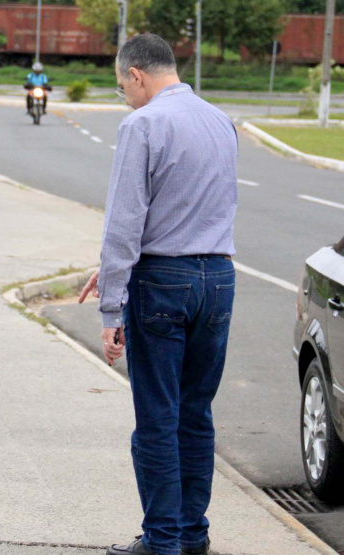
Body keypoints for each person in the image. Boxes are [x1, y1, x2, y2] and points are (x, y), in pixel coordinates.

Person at [78, 33, 237, 555]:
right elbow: (198, 208)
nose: (125, 95)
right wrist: (111, 271)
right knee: (196, 414)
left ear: (137, 74)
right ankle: (192, 534)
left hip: (162, 282)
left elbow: (125, 222)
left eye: (122, 85)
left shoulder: (143, 124)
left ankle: (161, 540)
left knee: (157, 418)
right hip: (218, 278)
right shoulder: (220, 120)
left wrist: (111, 308)